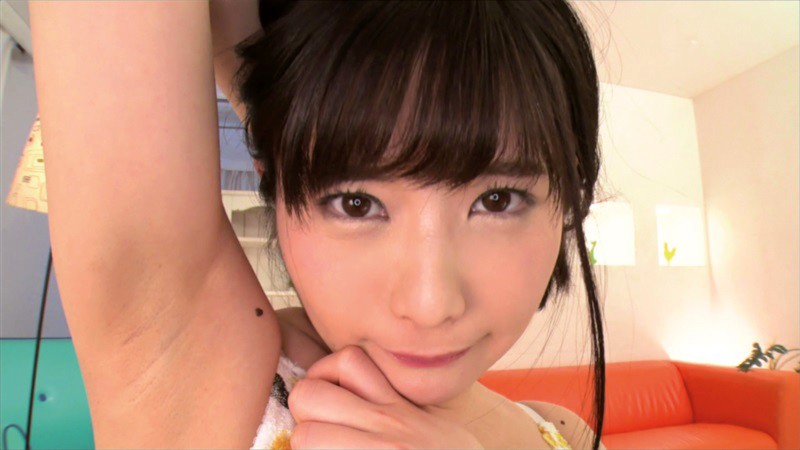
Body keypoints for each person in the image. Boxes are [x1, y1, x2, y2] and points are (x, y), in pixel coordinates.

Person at [30, 0, 605, 448]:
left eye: (498, 200)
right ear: (274, 187)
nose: (430, 304)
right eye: (355, 204)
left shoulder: (563, 432)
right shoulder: (206, 385)